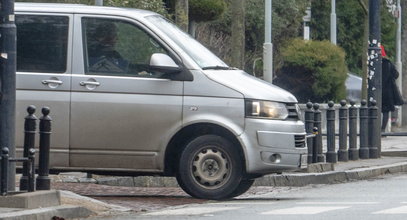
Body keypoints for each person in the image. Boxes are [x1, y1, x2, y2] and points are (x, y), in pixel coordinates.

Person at [381, 45, 404, 132]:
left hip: (376, 91)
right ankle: (382, 130)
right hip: (387, 92)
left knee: (375, 110)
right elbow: (396, 74)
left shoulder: (373, 63)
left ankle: (376, 129)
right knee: (385, 111)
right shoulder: (388, 63)